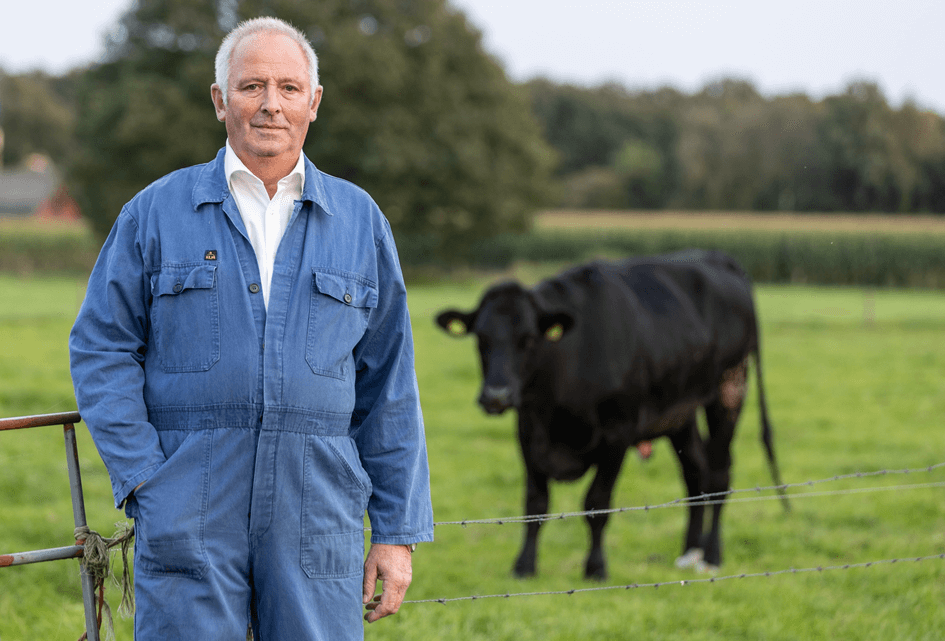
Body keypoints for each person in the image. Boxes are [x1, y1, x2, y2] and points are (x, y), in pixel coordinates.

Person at [69, 16, 433, 640]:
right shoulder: (155, 212)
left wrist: (397, 532)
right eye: (251, 86)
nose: (271, 104)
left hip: (316, 503)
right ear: (219, 100)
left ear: (313, 103)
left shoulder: (358, 220)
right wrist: (145, 480)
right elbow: (101, 347)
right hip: (189, 496)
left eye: (289, 88)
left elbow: (389, 381)